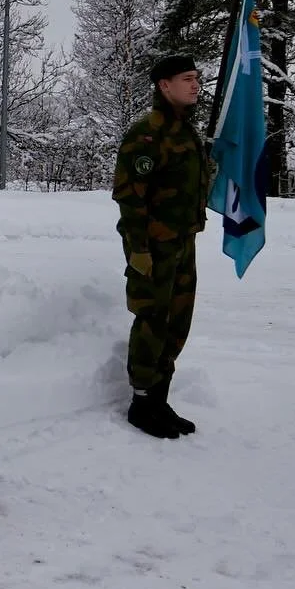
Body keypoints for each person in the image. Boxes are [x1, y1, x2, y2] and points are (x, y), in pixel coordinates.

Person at [112, 54, 211, 440]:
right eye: (187, 79)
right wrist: (138, 250)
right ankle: (141, 402)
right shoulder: (147, 134)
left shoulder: (187, 134)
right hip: (152, 247)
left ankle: (159, 398)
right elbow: (129, 197)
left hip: (184, 244)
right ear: (164, 85)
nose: (195, 85)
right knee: (152, 320)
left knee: (176, 323)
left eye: (197, 79)